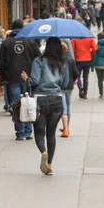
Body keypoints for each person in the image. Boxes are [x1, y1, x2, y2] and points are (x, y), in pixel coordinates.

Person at [21, 37, 69, 176]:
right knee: (51, 134)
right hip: (57, 100)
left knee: (39, 132)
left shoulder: (39, 61)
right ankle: (49, 165)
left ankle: (43, 152)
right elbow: (65, 84)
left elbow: (34, 81)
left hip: (40, 100)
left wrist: (26, 79)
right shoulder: (63, 62)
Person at [0, 19, 41, 140]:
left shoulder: (7, 42)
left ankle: (20, 132)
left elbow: (1, 62)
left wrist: (4, 77)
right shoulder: (30, 41)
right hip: (28, 77)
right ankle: (28, 130)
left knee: (16, 105)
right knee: (28, 103)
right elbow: (38, 58)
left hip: (12, 78)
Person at [60, 40, 79, 137]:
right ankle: (67, 127)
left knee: (63, 107)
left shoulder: (57, 60)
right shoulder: (70, 60)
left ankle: (66, 129)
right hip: (70, 86)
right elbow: (76, 73)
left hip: (60, 86)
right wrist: (73, 80)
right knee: (68, 106)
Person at [71, 34, 98, 99]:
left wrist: (75, 55)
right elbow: (95, 48)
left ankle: (80, 87)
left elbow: (72, 49)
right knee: (86, 76)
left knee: (77, 76)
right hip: (87, 59)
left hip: (78, 59)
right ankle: (85, 92)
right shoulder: (90, 38)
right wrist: (90, 54)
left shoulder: (75, 38)